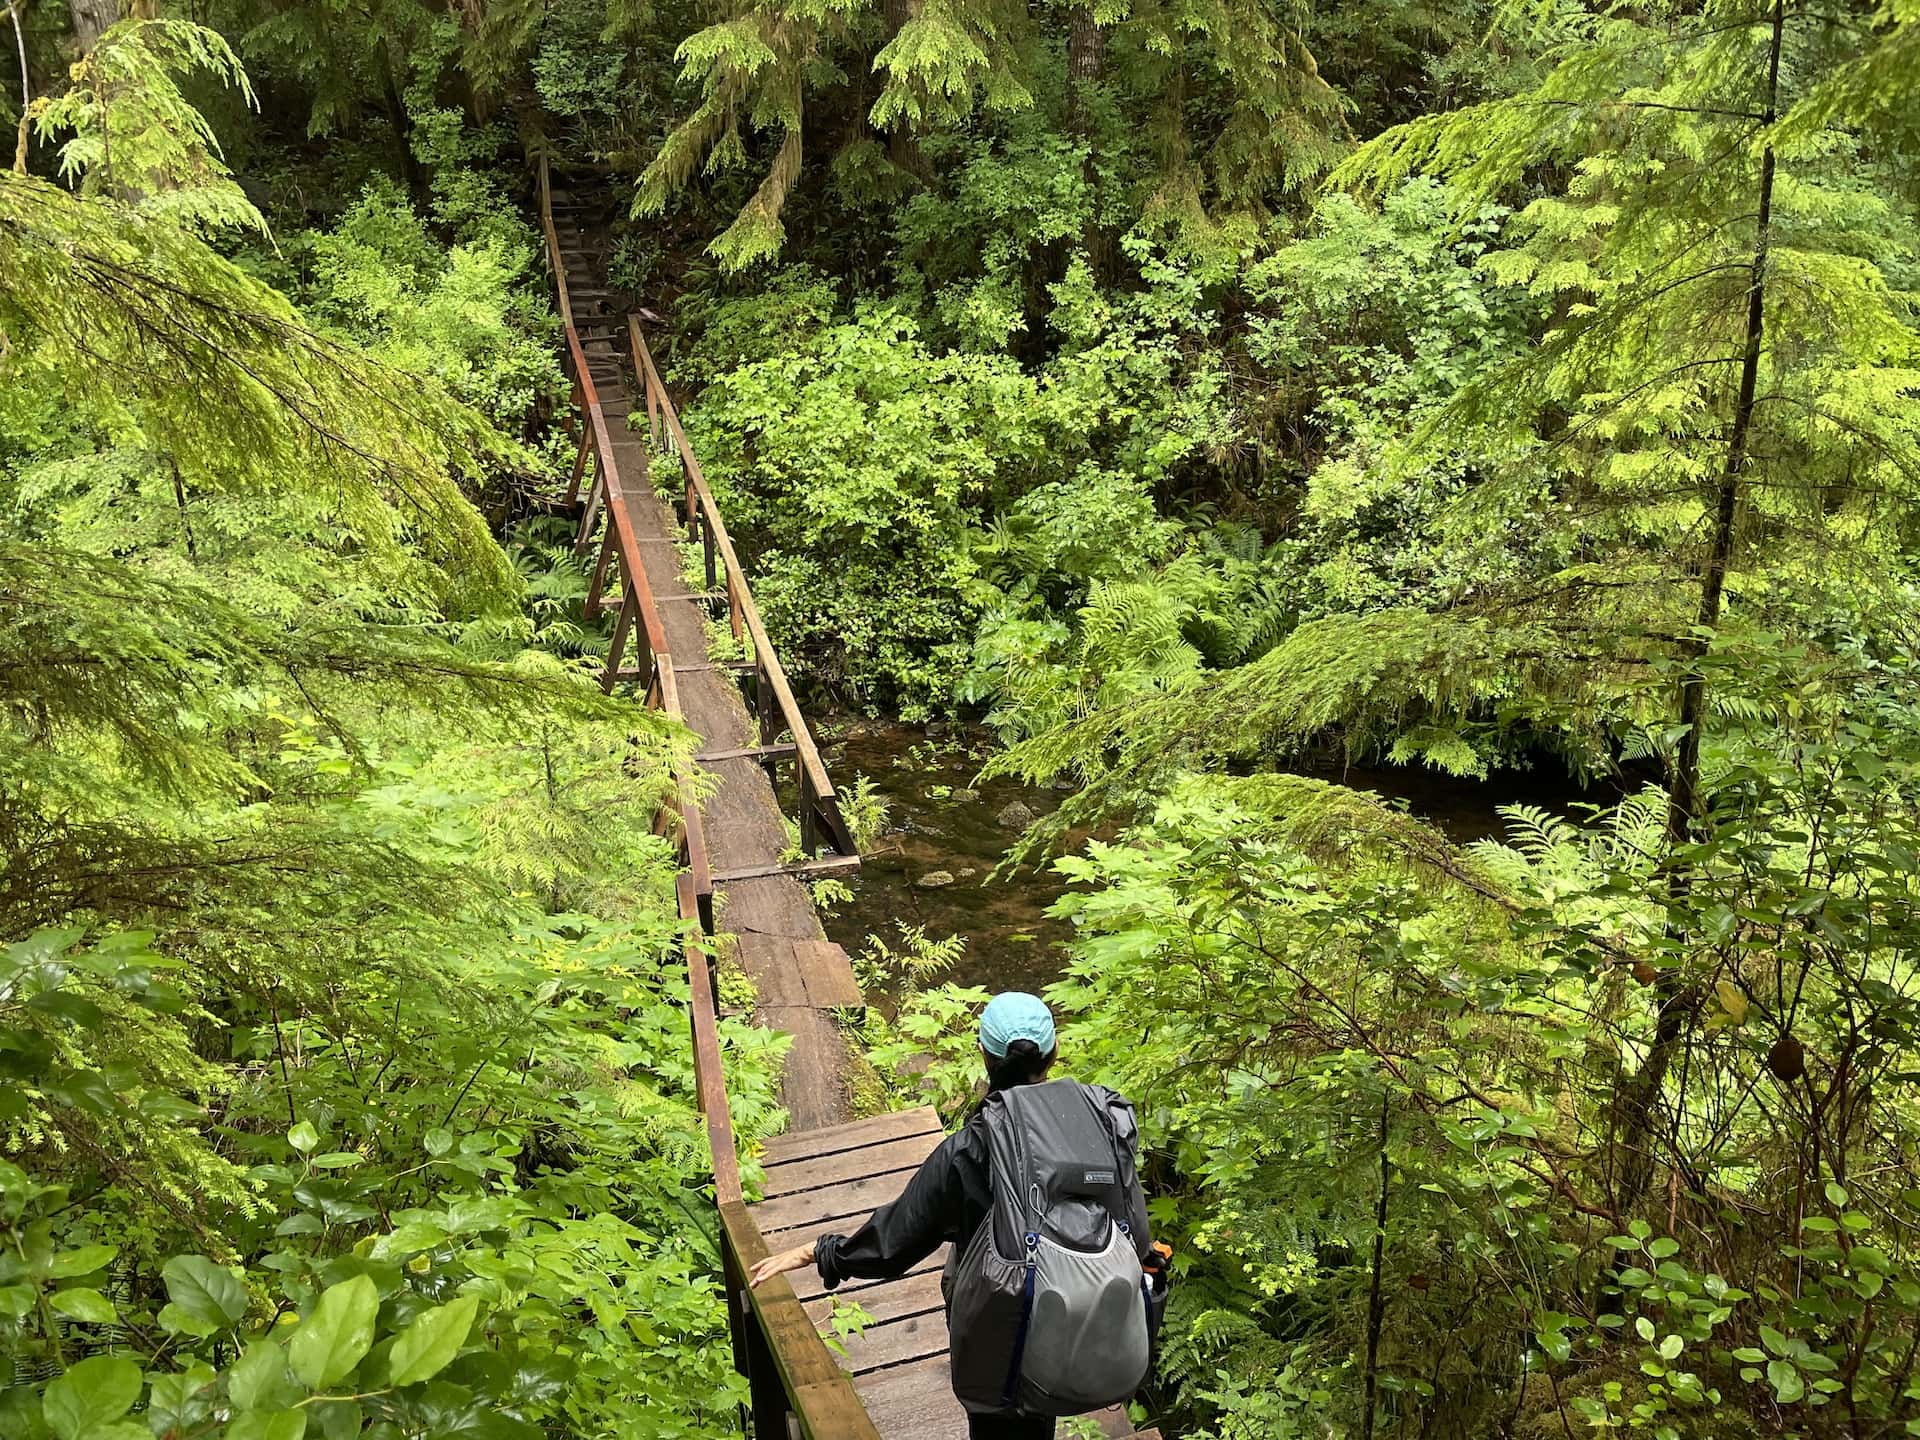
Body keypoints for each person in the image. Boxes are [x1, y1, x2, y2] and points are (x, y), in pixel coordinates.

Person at [749, 992, 1160, 1440]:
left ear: (985, 1056)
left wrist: (822, 1252)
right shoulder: (1099, 1123)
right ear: (1053, 1053)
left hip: (1001, 1326)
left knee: (1004, 1417)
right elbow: (1134, 1232)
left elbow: (894, 1244)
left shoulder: (967, 1151)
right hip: (1081, 1314)